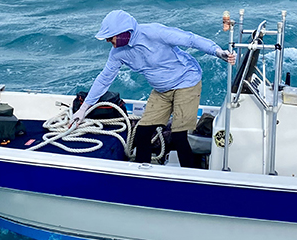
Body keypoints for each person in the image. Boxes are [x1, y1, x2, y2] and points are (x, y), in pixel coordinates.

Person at [73, 10, 235, 167]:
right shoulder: (117, 53)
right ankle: (142, 174)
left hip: (186, 82)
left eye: (110, 38)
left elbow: (190, 39)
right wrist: (83, 109)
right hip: (162, 90)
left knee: (179, 136)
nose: (109, 42)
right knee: (142, 134)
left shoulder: (154, 32)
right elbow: (104, 79)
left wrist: (217, 52)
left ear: (124, 32)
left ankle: (191, 177)